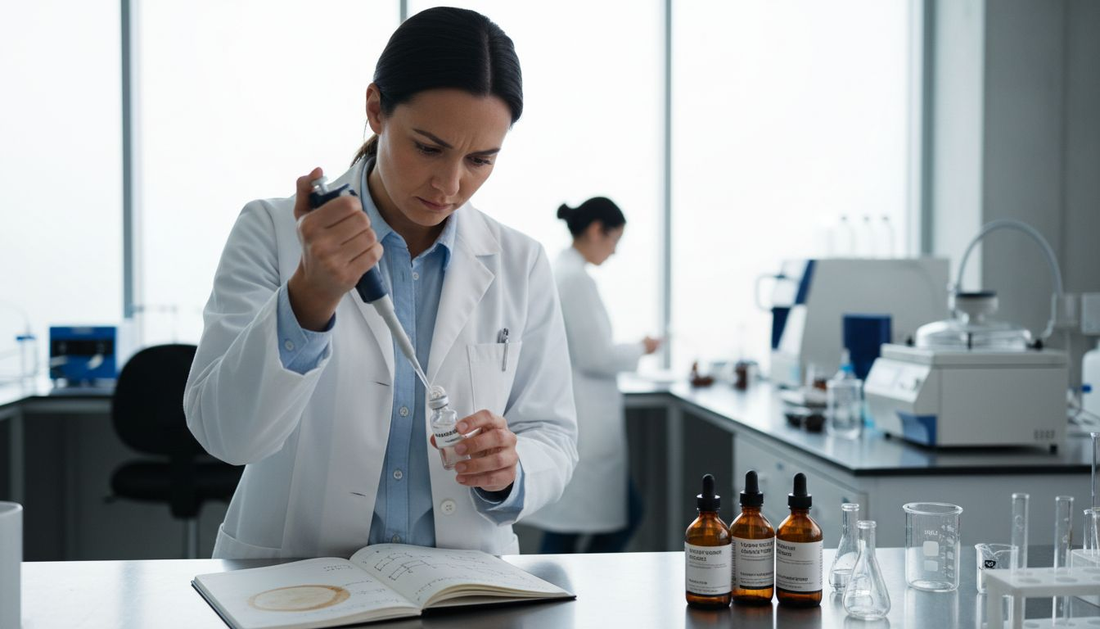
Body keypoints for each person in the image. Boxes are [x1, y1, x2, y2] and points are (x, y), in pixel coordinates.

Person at [184, 7, 577, 559]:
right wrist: (310, 295)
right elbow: (227, 434)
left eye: (480, 160)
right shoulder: (271, 231)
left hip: (459, 585)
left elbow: (552, 435)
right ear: (376, 110)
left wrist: (509, 469)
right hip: (297, 577)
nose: (449, 184)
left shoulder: (521, 262)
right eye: (428, 148)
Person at [526, 197, 661, 553]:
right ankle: (583, 584)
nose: (614, 252)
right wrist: (642, 348)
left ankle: (574, 584)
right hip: (584, 419)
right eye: (615, 240)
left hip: (577, 410)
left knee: (569, 527)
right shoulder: (575, 279)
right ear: (597, 230)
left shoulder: (563, 271)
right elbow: (596, 356)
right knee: (579, 526)